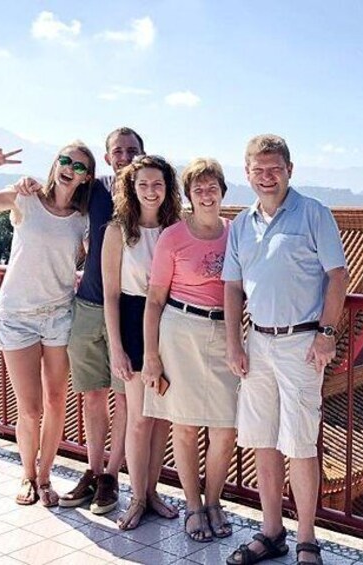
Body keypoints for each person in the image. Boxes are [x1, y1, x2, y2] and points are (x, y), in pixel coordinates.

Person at [223, 135, 349, 565]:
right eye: (258, 170)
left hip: (302, 342)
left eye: (274, 168)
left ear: (290, 170)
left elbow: (337, 277)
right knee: (263, 441)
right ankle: (271, 531)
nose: (266, 176)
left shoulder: (314, 214)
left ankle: (307, 539)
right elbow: (233, 287)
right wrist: (234, 342)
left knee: (300, 443)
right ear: (247, 173)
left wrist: (327, 332)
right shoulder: (241, 224)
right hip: (257, 341)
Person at [0, 144, 94, 506]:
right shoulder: (23, 198)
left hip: (59, 314)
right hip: (17, 317)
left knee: (57, 401)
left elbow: (101, 260)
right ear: (54, 164)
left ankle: (45, 477)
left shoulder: (82, 219)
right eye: (64, 160)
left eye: (78, 165)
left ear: (85, 177)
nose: (68, 168)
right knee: (30, 408)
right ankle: (27, 475)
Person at [143, 157, 239, 542]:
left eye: (212, 186)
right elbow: (154, 299)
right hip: (179, 329)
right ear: (188, 195)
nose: (205, 193)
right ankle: (194, 506)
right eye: (197, 188)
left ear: (222, 191)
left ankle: (213, 499)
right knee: (183, 426)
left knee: (225, 429)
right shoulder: (173, 237)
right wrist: (151, 355)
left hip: (224, 331)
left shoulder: (236, 232)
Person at [60, 127, 143, 514]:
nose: (124, 156)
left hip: (129, 311)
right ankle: (93, 471)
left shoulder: (150, 194)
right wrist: (26, 187)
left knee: (125, 397)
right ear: (107, 158)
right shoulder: (94, 192)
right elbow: (54, 195)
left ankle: (112, 475)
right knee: (92, 394)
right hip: (89, 303)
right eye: (118, 151)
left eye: (132, 150)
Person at [100, 155, 181, 529]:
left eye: (158, 184)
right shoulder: (117, 231)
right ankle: (136, 498)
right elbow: (111, 295)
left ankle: (152, 493)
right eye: (143, 184)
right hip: (133, 321)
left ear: (168, 189)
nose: (151, 191)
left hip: (172, 321)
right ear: (132, 188)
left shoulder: (175, 228)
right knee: (137, 418)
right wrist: (116, 347)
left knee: (162, 417)